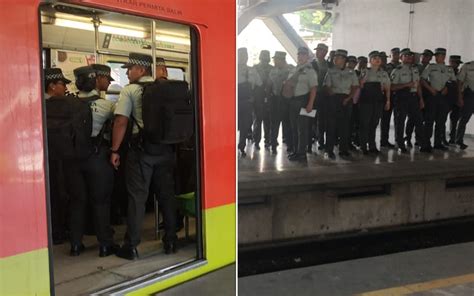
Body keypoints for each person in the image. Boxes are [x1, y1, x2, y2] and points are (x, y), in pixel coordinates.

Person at [110, 52, 177, 260]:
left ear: (142, 69)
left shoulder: (130, 90)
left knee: (137, 198)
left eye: (130, 68)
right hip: (166, 150)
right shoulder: (166, 89)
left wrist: (114, 150)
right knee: (166, 195)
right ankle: (171, 240)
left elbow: (120, 122)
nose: (128, 72)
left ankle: (131, 245)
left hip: (142, 152)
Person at [67, 64, 118, 257]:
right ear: (96, 80)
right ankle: (105, 244)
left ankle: (75, 245)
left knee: (77, 202)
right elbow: (120, 123)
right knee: (101, 201)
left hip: (73, 160)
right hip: (97, 158)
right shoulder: (107, 105)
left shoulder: (67, 103)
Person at [44, 68, 72, 245]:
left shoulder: (40, 104)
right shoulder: (60, 105)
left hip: (51, 156)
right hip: (57, 157)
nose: (65, 88)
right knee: (58, 193)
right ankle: (58, 230)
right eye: (62, 84)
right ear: (52, 86)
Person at [324, 49, 359, 159]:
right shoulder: (330, 71)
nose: (335, 59)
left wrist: (349, 98)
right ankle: (329, 150)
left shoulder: (351, 72)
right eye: (334, 58)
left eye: (337, 58)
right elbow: (327, 86)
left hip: (346, 99)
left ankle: (343, 149)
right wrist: (333, 97)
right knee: (331, 125)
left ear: (344, 59)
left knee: (345, 126)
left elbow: (355, 86)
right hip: (334, 99)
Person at [390, 48, 426, 153]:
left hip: (414, 97)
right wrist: (406, 85)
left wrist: (421, 99)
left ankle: (421, 143)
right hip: (401, 97)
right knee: (400, 121)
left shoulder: (415, 69)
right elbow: (392, 87)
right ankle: (400, 143)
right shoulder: (397, 70)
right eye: (406, 56)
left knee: (419, 120)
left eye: (410, 56)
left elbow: (418, 85)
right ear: (401, 57)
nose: (409, 57)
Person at [421, 48, 457, 151]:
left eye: (440, 56)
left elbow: (453, 82)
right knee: (429, 120)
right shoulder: (430, 67)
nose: (437, 57)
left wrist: (447, 87)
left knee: (441, 121)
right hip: (433, 96)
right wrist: (430, 89)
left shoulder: (449, 69)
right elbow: (422, 79)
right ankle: (426, 144)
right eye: (436, 56)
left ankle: (438, 143)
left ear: (444, 56)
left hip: (443, 97)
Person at [286, 46, 318, 161]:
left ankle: (302, 153)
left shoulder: (310, 70)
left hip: (304, 101)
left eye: (303, 54)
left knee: (302, 129)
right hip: (293, 101)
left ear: (308, 56)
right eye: (299, 54)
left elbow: (313, 89)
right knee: (294, 128)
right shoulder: (294, 69)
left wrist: (310, 104)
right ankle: (296, 151)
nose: (300, 56)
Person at [358, 51, 391, 155]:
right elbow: (360, 85)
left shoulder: (384, 73)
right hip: (366, 102)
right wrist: (363, 80)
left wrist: (388, 101)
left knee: (374, 123)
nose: (378, 60)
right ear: (370, 61)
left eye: (379, 58)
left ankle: (372, 146)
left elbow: (388, 88)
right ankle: (363, 146)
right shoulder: (365, 71)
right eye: (374, 58)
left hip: (378, 101)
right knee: (365, 124)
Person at [238, 47, 262, 157]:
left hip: (247, 102)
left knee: (245, 125)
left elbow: (259, 85)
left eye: (245, 56)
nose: (244, 58)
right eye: (241, 55)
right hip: (234, 102)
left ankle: (241, 146)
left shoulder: (252, 70)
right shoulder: (231, 68)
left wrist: (254, 98)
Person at [268, 51, 293, 154]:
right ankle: (273, 144)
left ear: (281, 60)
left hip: (287, 100)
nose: (274, 61)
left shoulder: (291, 69)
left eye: (276, 59)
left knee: (287, 124)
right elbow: (269, 83)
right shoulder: (273, 71)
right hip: (275, 99)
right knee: (274, 123)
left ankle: (290, 145)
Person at [311, 43, 330, 152]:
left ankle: (321, 140)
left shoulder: (329, 65)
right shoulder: (311, 64)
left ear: (325, 52)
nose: (318, 52)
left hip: (324, 95)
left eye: (321, 50)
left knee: (322, 119)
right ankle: (310, 140)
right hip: (313, 95)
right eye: (317, 50)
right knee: (310, 118)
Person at [253, 50, 273, 150]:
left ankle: (267, 140)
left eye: (267, 56)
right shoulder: (255, 68)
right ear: (261, 57)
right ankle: (256, 141)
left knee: (268, 120)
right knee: (258, 120)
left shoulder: (272, 69)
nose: (265, 58)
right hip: (258, 97)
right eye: (264, 56)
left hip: (269, 97)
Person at [454, 60, 474, 150]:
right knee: (464, 119)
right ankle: (459, 141)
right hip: (470, 95)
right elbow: (460, 82)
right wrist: (460, 97)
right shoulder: (467, 66)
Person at [380, 49, 396, 148]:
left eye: (385, 58)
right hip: (377, 97)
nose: (384, 60)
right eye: (382, 58)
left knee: (386, 120)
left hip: (388, 95)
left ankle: (384, 140)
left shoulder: (389, 69)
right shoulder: (374, 70)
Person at [447, 55, 462, 144]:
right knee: (441, 120)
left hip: (456, 99)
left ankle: (452, 138)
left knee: (454, 119)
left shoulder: (459, 73)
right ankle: (442, 138)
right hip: (447, 99)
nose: (455, 65)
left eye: (457, 63)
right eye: (453, 62)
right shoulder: (445, 71)